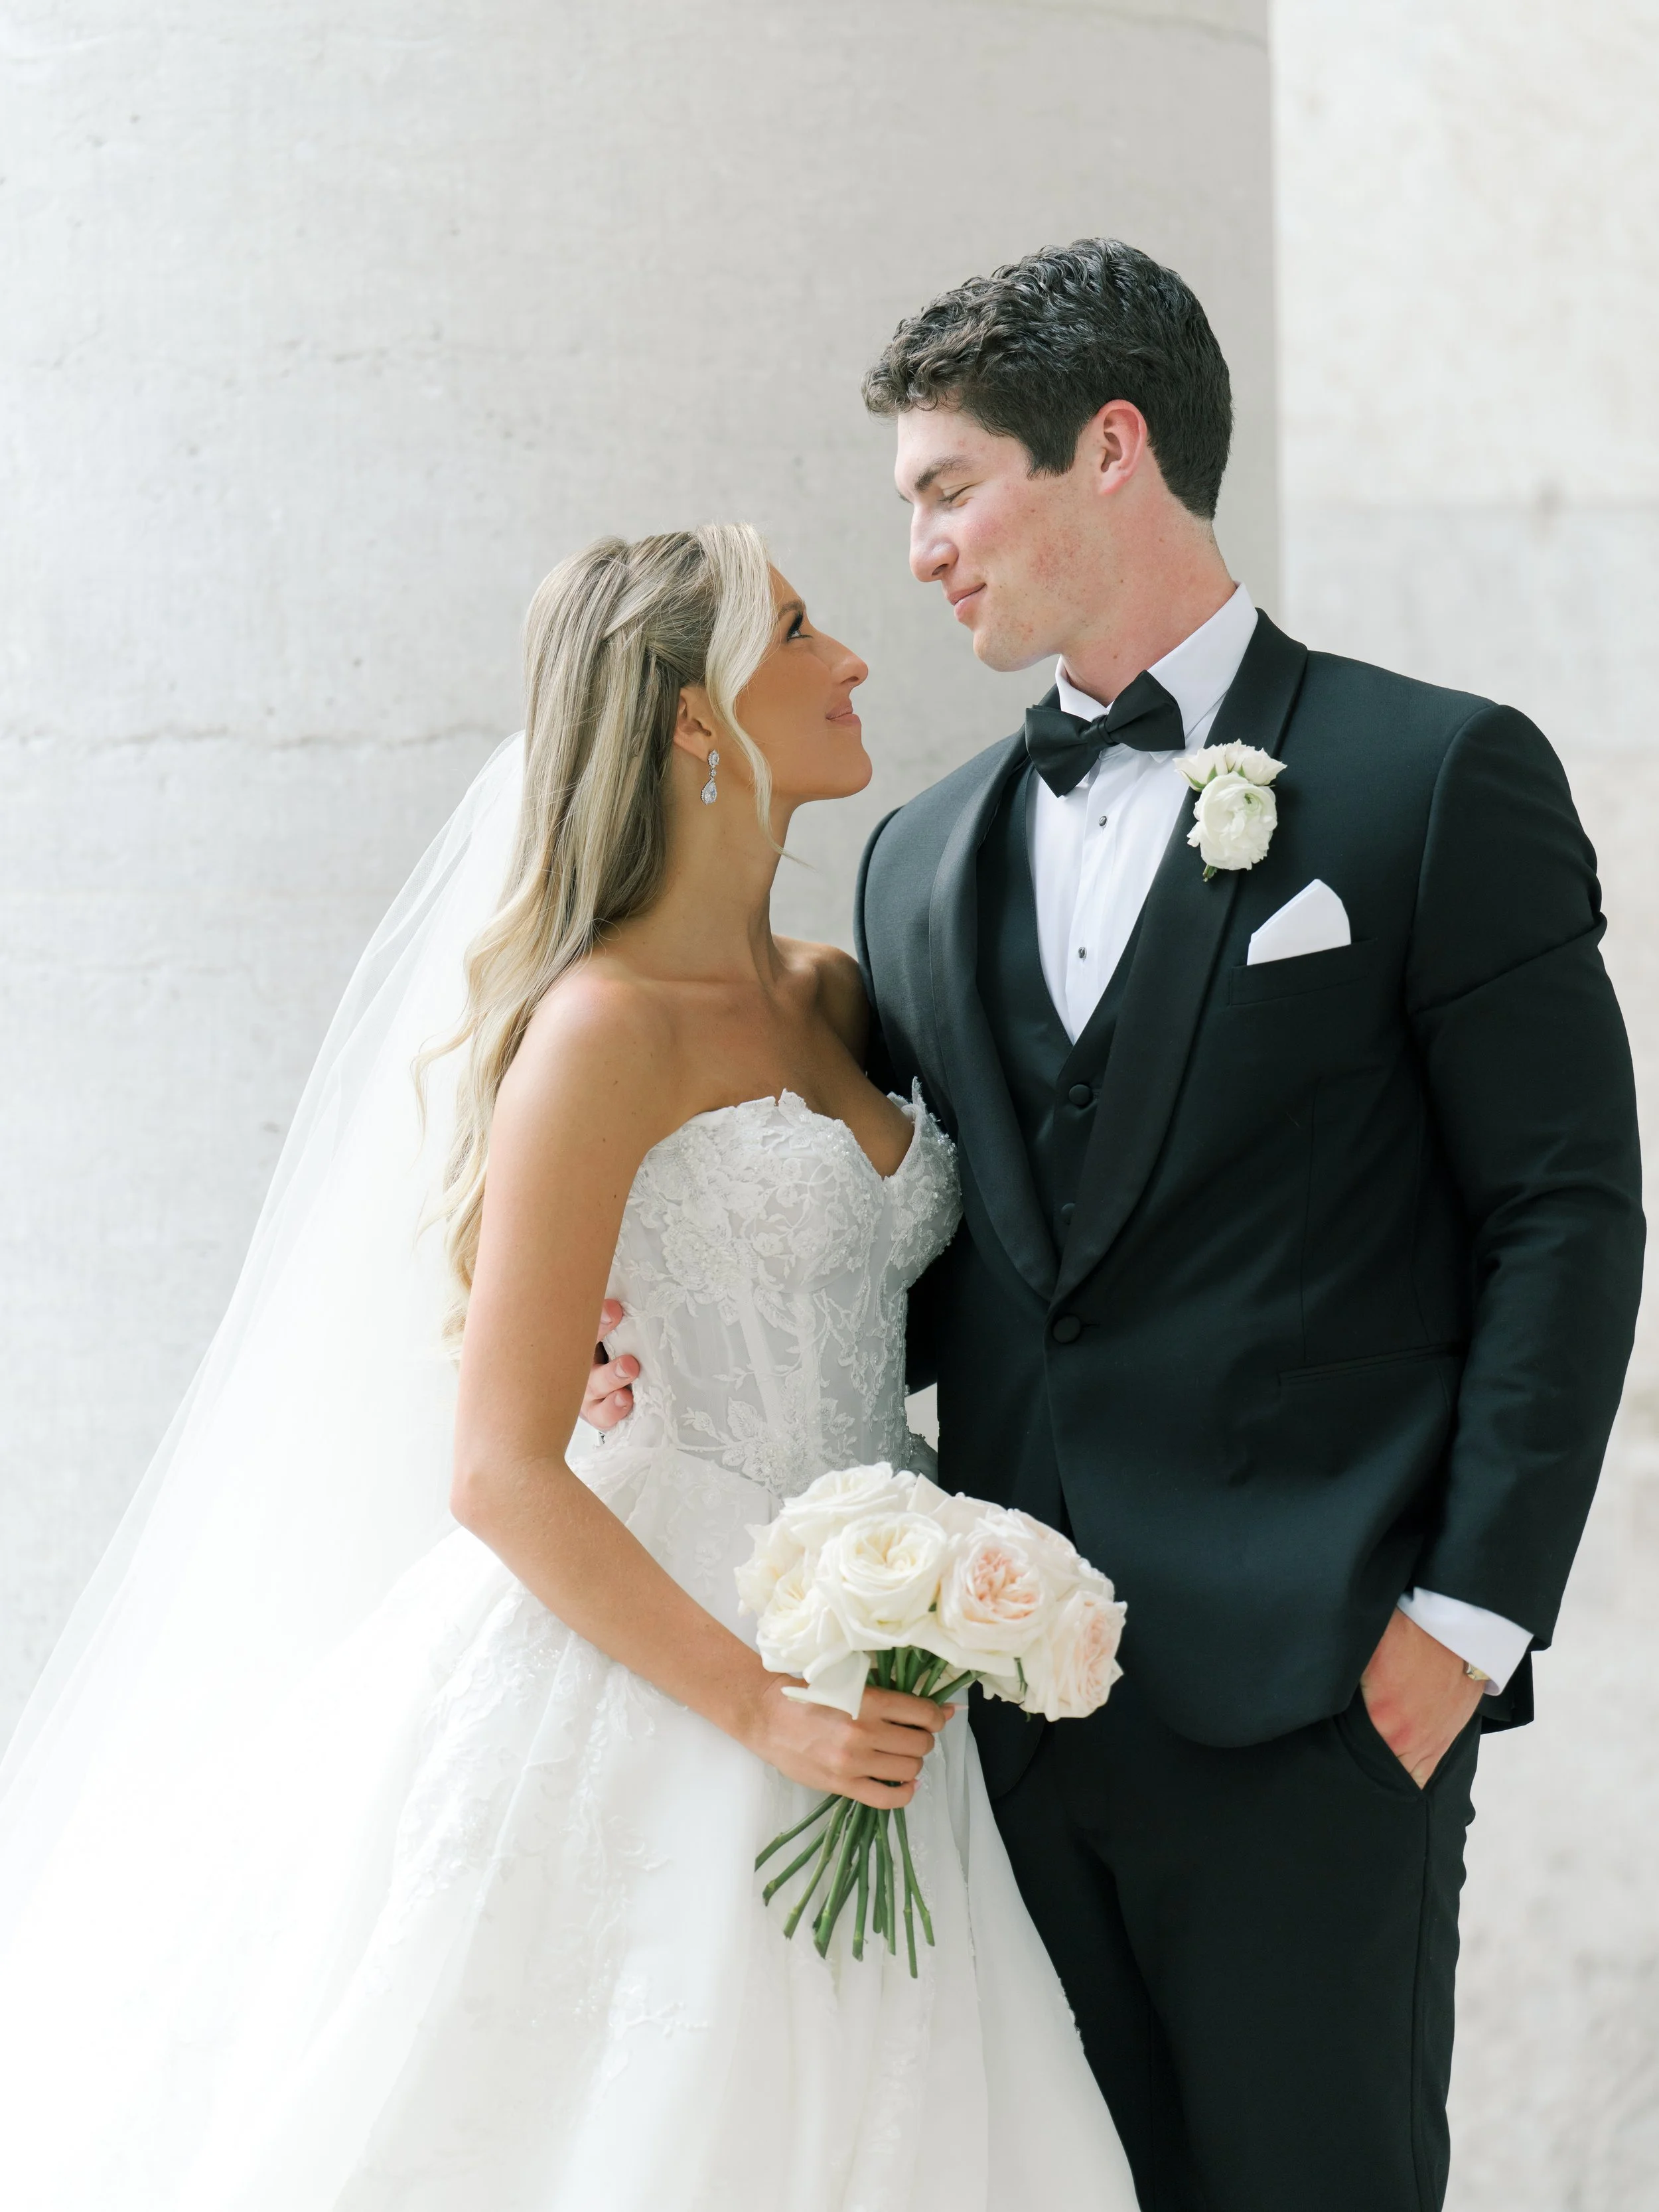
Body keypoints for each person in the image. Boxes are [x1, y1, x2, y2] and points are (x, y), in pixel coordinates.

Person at [592, 241, 1645, 2212]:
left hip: (1323, 1706)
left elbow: (1566, 1214)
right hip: (995, 1735)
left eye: (945, 487)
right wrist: (631, 1304)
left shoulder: (1432, 781)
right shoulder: (916, 861)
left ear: (1109, 448)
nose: (915, 552)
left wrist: (1456, 1631)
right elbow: (896, 1232)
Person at [0, 524, 1136, 2209]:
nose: (855, 660)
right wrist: (760, 1699)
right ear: (695, 720)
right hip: (688, 1647)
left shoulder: (833, 992)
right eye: (805, 630)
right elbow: (498, 1467)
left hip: (878, 1632)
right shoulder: (598, 1030)